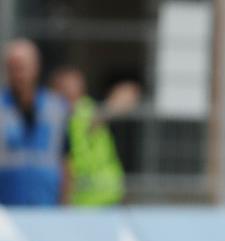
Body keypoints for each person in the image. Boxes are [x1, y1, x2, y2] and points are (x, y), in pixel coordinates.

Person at [51, 66, 139, 207]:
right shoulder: (56, 119)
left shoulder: (86, 110)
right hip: (81, 202)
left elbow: (129, 93)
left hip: (105, 198)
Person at [0, 39, 70, 206]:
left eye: (22, 67)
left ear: (36, 68)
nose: (19, 75)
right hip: (6, 209)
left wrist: (66, 204)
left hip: (46, 206)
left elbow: (65, 161)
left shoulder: (57, 107)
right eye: (13, 68)